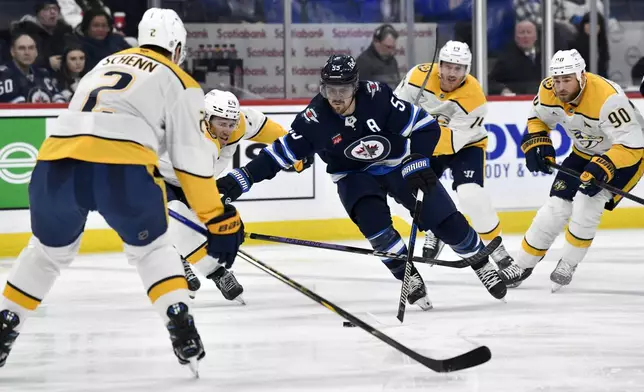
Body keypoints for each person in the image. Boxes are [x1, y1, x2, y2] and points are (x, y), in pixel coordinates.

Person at [0, 8, 245, 375]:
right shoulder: (180, 81)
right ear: (176, 47)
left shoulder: (104, 63)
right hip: (121, 166)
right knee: (152, 250)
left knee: (46, 254)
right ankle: (179, 321)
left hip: (55, 162)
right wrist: (217, 217)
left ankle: (7, 322)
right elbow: (190, 162)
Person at [216, 54, 508, 309]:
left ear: (355, 87)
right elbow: (278, 155)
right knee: (376, 227)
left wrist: (418, 160)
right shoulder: (314, 118)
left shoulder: (378, 98)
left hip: (396, 164)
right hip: (353, 175)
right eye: (331, 89)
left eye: (343, 89)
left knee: (444, 219)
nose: (337, 97)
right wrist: (240, 179)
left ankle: (481, 263)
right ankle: (408, 277)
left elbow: (424, 126)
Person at [499, 49, 644, 291]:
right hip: (584, 151)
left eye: (567, 80)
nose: (561, 87)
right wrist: (538, 141)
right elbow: (538, 118)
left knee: (589, 203)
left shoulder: (608, 99)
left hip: (626, 155)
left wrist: (605, 165)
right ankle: (523, 264)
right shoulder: (549, 90)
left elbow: (633, 144)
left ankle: (568, 262)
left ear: (582, 77)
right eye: (557, 80)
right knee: (555, 207)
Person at [160, 89, 310, 301]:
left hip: (191, 179)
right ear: (206, 118)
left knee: (192, 222)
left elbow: (264, 128)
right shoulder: (193, 138)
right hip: (156, 177)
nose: (227, 130)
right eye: (221, 124)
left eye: (230, 124)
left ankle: (180, 254)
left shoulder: (238, 122)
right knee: (179, 219)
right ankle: (217, 273)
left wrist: (296, 153)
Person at [394, 41, 515, 274]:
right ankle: (436, 230)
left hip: (464, 145)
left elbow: (452, 141)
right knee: (418, 193)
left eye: (458, 68)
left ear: (467, 70)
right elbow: (395, 111)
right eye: (447, 66)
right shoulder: (417, 77)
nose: (451, 73)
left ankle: (497, 250)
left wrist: (415, 149)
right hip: (427, 143)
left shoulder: (474, 97)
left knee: (471, 195)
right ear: (438, 64)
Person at [0, 32, 64, 103]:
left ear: (36, 52)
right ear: (12, 52)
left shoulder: (42, 73)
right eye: (21, 48)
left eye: (31, 48)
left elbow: (58, 98)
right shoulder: (3, 75)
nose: (27, 52)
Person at [10, 0, 73, 71]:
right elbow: (21, 59)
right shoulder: (25, 33)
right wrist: (47, 63)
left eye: (55, 9)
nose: (52, 12)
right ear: (38, 14)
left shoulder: (64, 32)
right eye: (47, 9)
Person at [488, 20, 542, 96]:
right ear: (515, 37)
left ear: (535, 36)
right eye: (522, 33)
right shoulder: (506, 58)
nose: (525, 36)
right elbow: (490, 82)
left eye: (529, 32)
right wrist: (502, 90)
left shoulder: (544, 57)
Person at [355, 24, 400, 89]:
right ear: (376, 42)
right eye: (388, 47)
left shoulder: (393, 61)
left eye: (393, 47)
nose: (391, 51)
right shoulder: (363, 62)